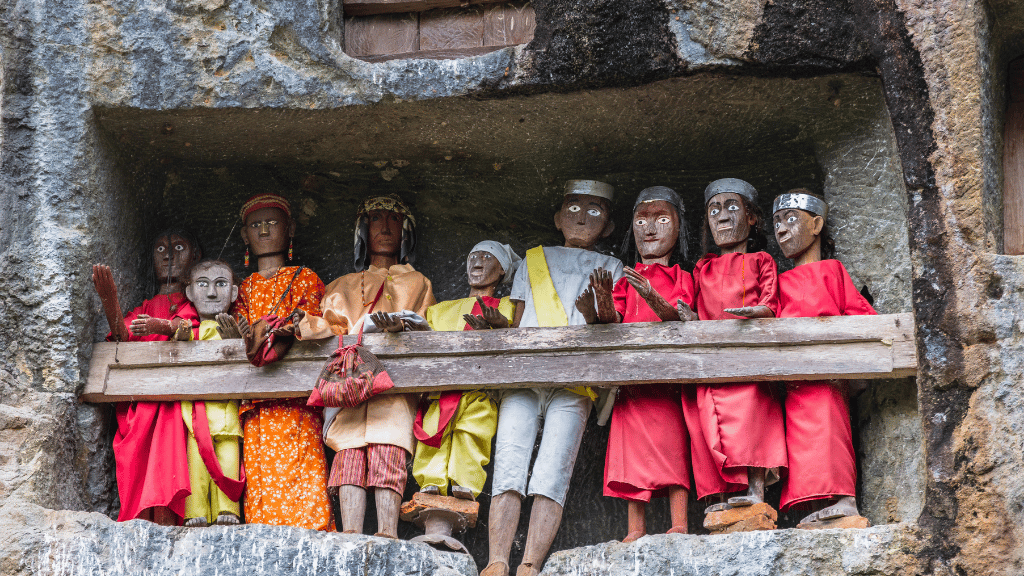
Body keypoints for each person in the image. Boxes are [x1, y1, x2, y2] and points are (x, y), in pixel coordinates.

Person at [482, 180, 623, 576]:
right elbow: (518, 316)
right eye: (573, 208)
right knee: (509, 461)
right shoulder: (532, 260)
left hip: (576, 379)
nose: (581, 217)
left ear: (609, 227)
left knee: (553, 469)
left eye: (595, 211)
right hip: (526, 373)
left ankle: (530, 563)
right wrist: (498, 325)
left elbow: (612, 325)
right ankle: (496, 559)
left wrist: (597, 311)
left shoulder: (613, 268)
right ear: (558, 217)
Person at [297, 193, 435, 538]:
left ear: (406, 231)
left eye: (394, 219)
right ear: (363, 229)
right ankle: (351, 533)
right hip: (350, 380)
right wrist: (301, 324)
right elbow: (327, 326)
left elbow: (430, 326)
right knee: (348, 451)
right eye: (375, 219)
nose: (385, 227)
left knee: (390, 447)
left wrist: (402, 328)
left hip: (394, 383)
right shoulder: (341, 286)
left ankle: (388, 531)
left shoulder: (419, 282)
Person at [577, 186, 692, 541]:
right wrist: (595, 307)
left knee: (673, 450)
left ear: (678, 228)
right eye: (641, 221)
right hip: (631, 382)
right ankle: (635, 528)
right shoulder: (627, 279)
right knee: (631, 455)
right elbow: (614, 321)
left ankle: (680, 524)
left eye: (661, 219)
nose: (650, 229)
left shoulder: (684, 277)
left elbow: (680, 318)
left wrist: (651, 294)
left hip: (667, 382)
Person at [678, 178, 787, 521]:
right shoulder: (702, 268)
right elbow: (698, 310)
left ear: (752, 218)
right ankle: (725, 494)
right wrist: (689, 315)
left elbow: (772, 302)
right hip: (712, 361)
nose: (722, 217)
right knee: (709, 423)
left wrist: (758, 313)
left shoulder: (761, 260)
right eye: (714, 210)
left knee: (752, 418)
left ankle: (755, 490)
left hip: (750, 356)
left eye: (731, 207)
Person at [772, 189, 874, 526]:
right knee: (802, 444)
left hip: (828, 375)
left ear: (816, 224)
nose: (782, 230)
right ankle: (826, 505)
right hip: (796, 380)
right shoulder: (779, 281)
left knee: (831, 434)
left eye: (790, 219)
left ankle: (845, 500)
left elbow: (862, 316)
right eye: (776, 223)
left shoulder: (831, 271)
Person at [233, 193, 333, 531]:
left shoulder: (305, 277)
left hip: (298, 399)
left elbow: (316, 321)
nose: (263, 230)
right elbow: (238, 333)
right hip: (258, 400)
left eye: (272, 222)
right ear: (244, 236)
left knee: (304, 470)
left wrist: (291, 326)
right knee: (260, 476)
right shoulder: (243, 287)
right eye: (255, 225)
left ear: (289, 230)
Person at [91, 229, 202, 525]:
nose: (169, 255)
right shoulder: (143, 307)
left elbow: (191, 332)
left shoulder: (194, 305)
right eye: (160, 249)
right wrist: (110, 301)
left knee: (168, 457)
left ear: (196, 257)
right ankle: (139, 522)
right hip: (138, 404)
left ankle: (166, 520)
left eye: (179, 246)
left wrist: (162, 326)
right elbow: (122, 336)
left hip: (171, 401)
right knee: (136, 461)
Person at [415, 241, 521, 502]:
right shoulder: (438, 310)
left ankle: (465, 486)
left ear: (501, 272)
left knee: (471, 436)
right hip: (441, 392)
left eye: (487, 257)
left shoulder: (509, 307)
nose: (478, 261)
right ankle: (430, 483)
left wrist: (500, 329)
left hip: (479, 393)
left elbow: (515, 340)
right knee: (433, 439)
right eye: (473, 255)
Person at [179, 259, 245, 527]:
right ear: (189, 293)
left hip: (228, 414)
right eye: (202, 284)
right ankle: (195, 511)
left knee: (229, 461)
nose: (210, 293)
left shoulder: (240, 327)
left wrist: (236, 343)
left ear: (234, 293)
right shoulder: (186, 328)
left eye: (221, 284)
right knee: (195, 466)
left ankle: (228, 509)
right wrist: (182, 341)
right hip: (196, 415)